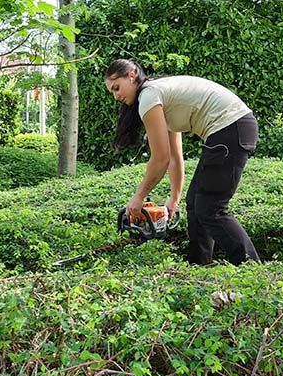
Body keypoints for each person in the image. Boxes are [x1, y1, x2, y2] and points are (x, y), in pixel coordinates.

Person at [105, 58, 261, 265]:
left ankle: (252, 268)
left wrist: (138, 197)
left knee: (211, 207)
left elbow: (160, 159)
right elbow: (174, 157)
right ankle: (199, 265)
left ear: (132, 75)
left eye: (117, 87)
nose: (116, 96)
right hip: (230, 130)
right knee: (196, 203)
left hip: (230, 128)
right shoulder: (160, 97)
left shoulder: (149, 96)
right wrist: (174, 198)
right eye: (112, 92)